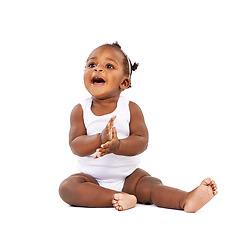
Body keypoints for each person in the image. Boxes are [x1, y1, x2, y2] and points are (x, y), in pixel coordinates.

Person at [59, 42, 218, 212]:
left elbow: (141, 141)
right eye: (92, 64)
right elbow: (76, 144)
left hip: (130, 177)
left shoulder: (130, 108)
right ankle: (116, 197)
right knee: (67, 188)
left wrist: (118, 145)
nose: (97, 69)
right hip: (91, 179)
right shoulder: (80, 110)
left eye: (109, 66)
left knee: (151, 186)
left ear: (124, 82)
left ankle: (185, 199)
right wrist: (100, 139)